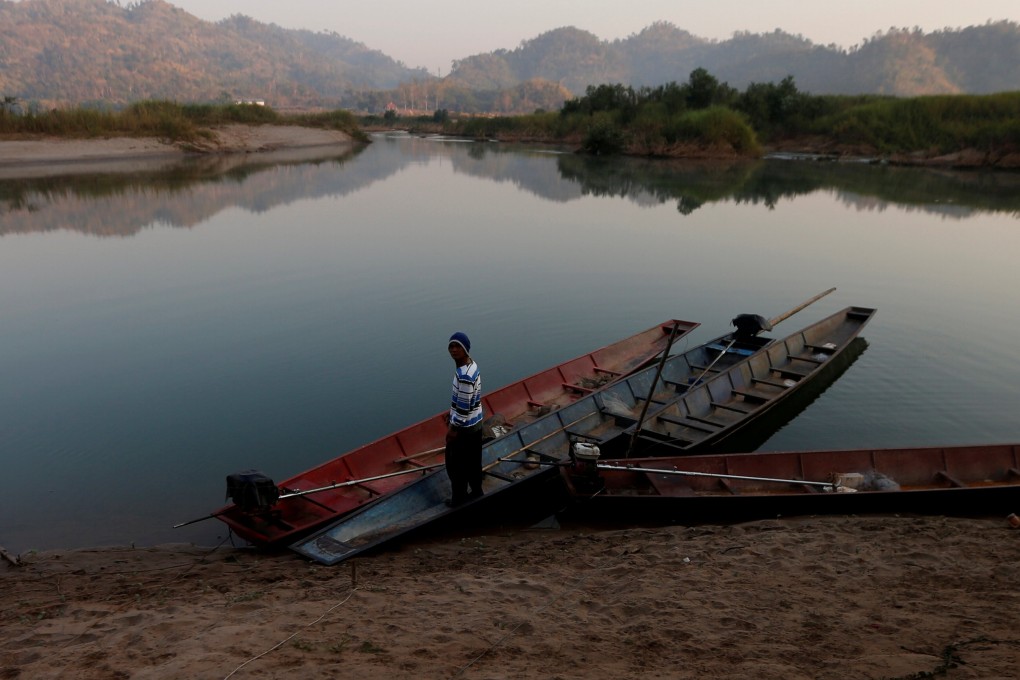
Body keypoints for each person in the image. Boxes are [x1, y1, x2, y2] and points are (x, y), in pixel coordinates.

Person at [445, 331, 483, 507]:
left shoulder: (465, 375)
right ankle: (477, 492)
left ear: (465, 349)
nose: (453, 350)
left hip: (465, 429)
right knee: (474, 462)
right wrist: (451, 412)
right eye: (451, 346)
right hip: (476, 424)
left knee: (456, 466)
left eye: (457, 346)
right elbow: (464, 400)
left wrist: (453, 429)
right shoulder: (472, 366)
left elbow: (463, 407)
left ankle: (458, 501)